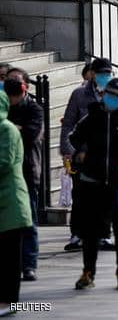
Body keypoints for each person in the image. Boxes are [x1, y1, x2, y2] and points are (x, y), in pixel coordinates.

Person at [69, 78, 118, 290]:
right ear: (103, 95)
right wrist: (84, 149)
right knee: (91, 230)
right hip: (93, 180)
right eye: (110, 94)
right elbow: (74, 138)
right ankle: (88, 272)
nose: (113, 99)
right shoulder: (92, 116)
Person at [60, 58, 116, 252]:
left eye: (108, 73)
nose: (104, 77)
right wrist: (68, 151)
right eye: (101, 73)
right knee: (81, 196)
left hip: (108, 155)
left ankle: (104, 235)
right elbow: (68, 124)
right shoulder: (79, 95)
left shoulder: (116, 94)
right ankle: (77, 234)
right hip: (83, 154)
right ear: (91, 73)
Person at [5, 76, 43, 282]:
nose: (13, 101)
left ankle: (29, 264)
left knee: (29, 220)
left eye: (15, 97)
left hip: (27, 170)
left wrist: (11, 128)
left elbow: (31, 133)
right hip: (8, 171)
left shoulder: (34, 109)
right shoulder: (5, 107)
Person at [0, 90, 32, 317]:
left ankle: (9, 301)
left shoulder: (8, 130)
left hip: (10, 202)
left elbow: (4, 162)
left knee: (10, 257)